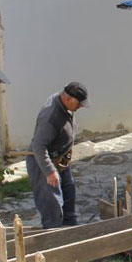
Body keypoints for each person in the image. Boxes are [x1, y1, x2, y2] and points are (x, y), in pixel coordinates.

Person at [27, 82, 90, 229]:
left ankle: (71, 231)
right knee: (52, 205)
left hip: (60, 160)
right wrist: (49, 171)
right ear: (68, 99)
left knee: (69, 193)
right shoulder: (50, 116)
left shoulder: (64, 102)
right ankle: (53, 238)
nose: (80, 107)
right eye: (79, 104)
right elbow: (39, 146)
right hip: (42, 162)